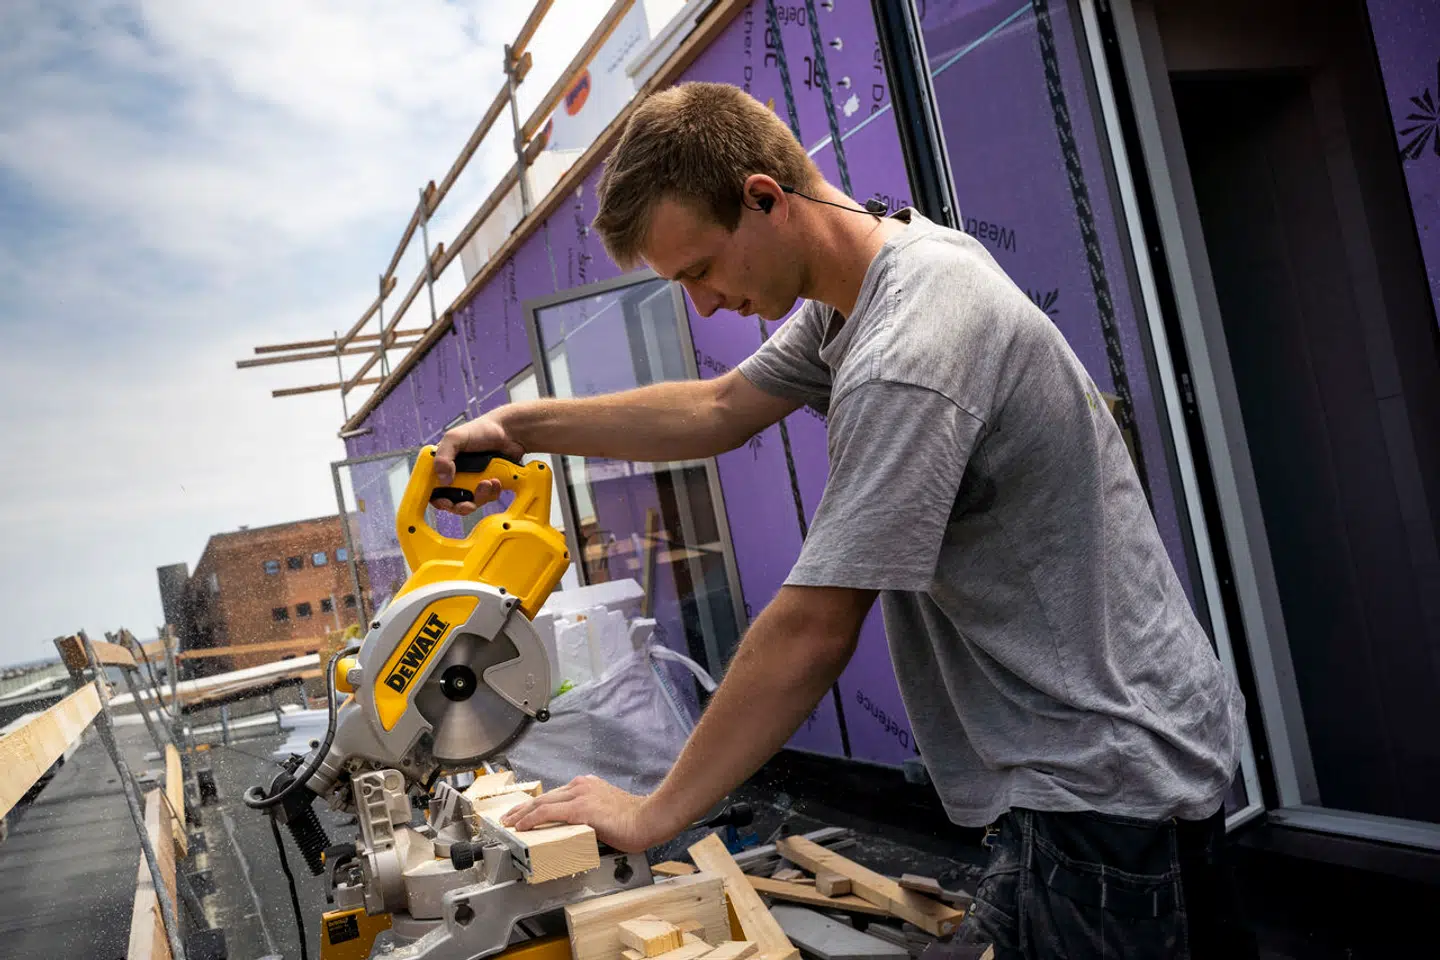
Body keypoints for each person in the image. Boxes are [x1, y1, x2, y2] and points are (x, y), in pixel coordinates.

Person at [432, 82, 1254, 958]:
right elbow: (717, 409)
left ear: (763, 197)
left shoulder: (908, 348)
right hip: (1095, 765)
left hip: (1103, 786)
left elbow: (813, 632)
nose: (703, 306)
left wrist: (652, 811)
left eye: (701, 270)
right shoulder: (868, 287)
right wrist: (519, 426)